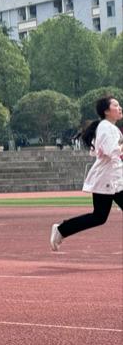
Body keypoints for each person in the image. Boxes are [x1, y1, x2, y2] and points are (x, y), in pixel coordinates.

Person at [50, 95, 123, 251]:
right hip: (108, 179)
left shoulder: (108, 127)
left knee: (99, 217)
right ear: (106, 111)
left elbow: (100, 151)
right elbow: (112, 152)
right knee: (99, 216)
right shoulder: (106, 127)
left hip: (114, 179)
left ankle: (62, 230)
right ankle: (61, 229)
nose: (120, 108)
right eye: (116, 105)